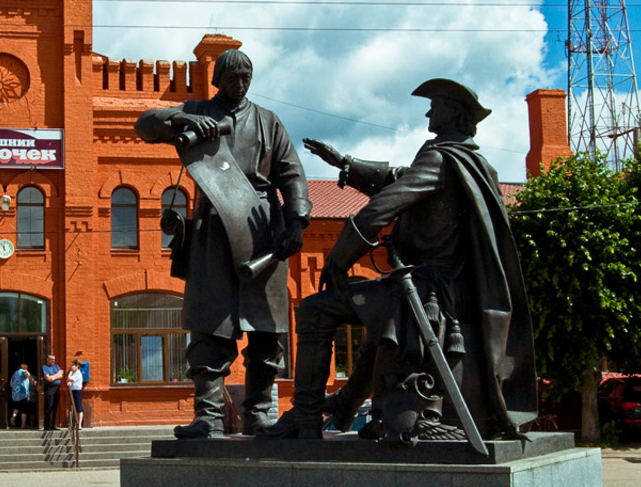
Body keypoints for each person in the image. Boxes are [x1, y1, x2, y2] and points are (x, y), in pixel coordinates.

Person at [258, 78, 537, 440]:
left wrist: (339, 260)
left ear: (453, 111)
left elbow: (381, 208)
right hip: (438, 285)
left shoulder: (441, 159)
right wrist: (346, 163)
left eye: (434, 105)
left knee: (315, 309)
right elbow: (397, 178)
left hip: (428, 290)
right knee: (372, 310)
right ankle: (343, 406)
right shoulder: (465, 160)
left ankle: (306, 415)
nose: (427, 111)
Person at [135, 48, 311, 438]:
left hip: (262, 226)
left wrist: (297, 220)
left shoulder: (269, 122)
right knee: (208, 326)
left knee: (267, 327)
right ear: (217, 78)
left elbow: (292, 174)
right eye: (233, 74)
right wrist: (182, 118)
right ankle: (208, 416)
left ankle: (261, 413)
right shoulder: (199, 110)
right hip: (213, 229)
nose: (241, 81)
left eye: (247, 74)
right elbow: (145, 124)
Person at [9, 364, 36, 428]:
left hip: (16, 393)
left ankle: (13, 416)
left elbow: (11, 384)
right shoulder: (24, 372)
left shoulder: (14, 373)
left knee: (17, 406)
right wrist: (30, 378)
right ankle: (23, 425)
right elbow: (30, 378)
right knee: (24, 409)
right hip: (23, 393)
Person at [41, 355, 64, 430]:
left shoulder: (56, 366)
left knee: (54, 406)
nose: (53, 361)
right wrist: (56, 375)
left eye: (54, 359)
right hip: (49, 388)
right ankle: (47, 425)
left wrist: (53, 377)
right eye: (51, 359)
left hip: (57, 388)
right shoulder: (45, 367)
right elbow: (48, 378)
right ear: (47, 360)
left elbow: (61, 375)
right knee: (49, 406)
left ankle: (53, 424)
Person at [67, 359, 84, 429]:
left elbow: (68, 379)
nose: (71, 367)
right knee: (72, 407)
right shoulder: (74, 373)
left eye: (73, 365)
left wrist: (70, 372)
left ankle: (79, 424)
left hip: (77, 391)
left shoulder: (77, 373)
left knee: (78, 408)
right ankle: (73, 423)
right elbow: (67, 380)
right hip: (72, 390)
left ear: (77, 366)